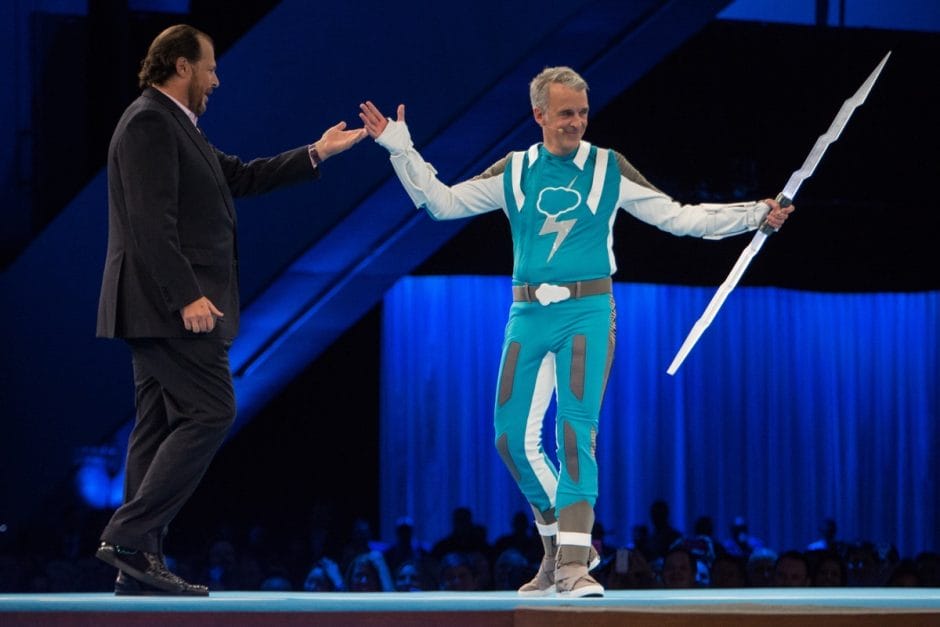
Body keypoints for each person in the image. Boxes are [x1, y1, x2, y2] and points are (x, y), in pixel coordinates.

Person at [359, 66, 793, 598]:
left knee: (574, 433)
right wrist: (398, 146)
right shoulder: (515, 171)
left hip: (588, 311)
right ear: (539, 114)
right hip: (528, 314)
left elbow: (678, 217)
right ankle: (560, 549)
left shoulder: (608, 167)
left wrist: (753, 214)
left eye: (583, 112)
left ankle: (572, 564)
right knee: (510, 439)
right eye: (566, 113)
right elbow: (442, 203)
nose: (577, 122)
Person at [94, 24, 366, 596]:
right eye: (210, 67)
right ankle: (129, 535)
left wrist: (316, 153)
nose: (217, 78)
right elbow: (150, 223)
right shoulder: (149, 121)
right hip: (170, 307)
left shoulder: (176, 126)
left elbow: (240, 176)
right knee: (212, 411)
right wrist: (186, 294)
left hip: (156, 308)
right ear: (181, 66)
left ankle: (137, 564)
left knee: (157, 426)